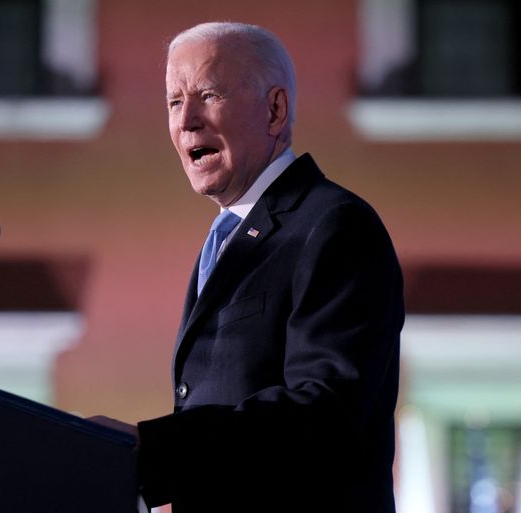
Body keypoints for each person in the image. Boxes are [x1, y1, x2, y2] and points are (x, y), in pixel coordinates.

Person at [134, 22, 404, 512]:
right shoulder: (229, 235)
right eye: (174, 102)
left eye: (208, 95)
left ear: (275, 110)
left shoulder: (334, 225)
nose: (186, 120)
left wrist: (155, 451)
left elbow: (325, 414)